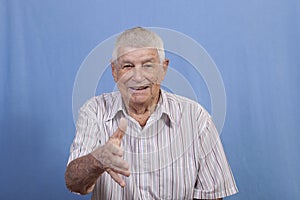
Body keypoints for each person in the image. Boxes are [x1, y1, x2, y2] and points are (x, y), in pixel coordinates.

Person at [65, 27, 238, 199]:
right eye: (127, 66)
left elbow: (212, 196)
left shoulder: (197, 118)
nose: (138, 77)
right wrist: (98, 159)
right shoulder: (94, 111)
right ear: (114, 71)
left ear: (163, 69)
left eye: (148, 65)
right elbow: (73, 182)